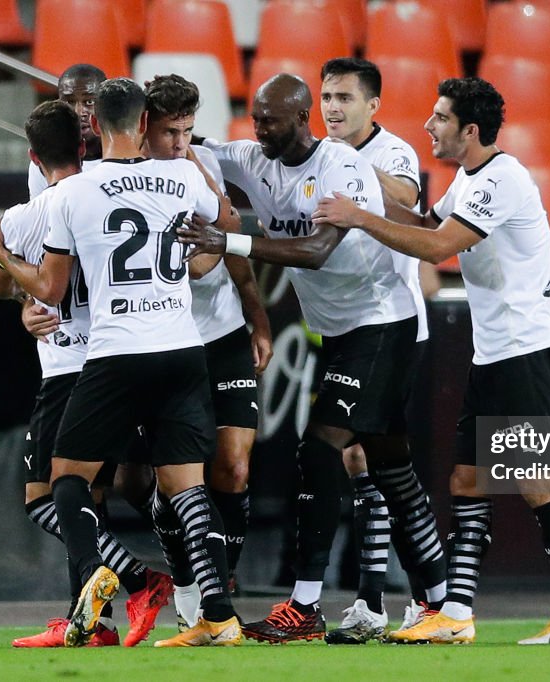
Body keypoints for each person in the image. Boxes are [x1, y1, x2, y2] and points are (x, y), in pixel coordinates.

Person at [313, 77, 550, 645]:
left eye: (440, 118)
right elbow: (429, 224)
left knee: (539, 483)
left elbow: (439, 248)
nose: (429, 127)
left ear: (470, 131)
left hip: (526, 351)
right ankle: (457, 615)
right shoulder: (469, 180)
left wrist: (360, 217)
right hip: (494, 354)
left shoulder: (503, 179)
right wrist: (367, 186)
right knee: (466, 479)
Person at [178, 73, 446, 644]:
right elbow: (192, 149)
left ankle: (305, 605)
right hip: (340, 332)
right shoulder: (256, 156)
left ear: (300, 120)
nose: (259, 129)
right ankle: (442, 603)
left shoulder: (341, 166)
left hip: (382, 322)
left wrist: (228, 241)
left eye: (269, 120)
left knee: (320, 448)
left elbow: (318, 252)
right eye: (254, 119)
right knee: (392, 468)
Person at [0, 77, 241, 648]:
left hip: (117, 352)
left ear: (95, 127)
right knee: (187, 488)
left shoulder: (76, 192)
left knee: (66, 481)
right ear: (146, 121)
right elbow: (226, 225)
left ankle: (107, 574)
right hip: (182, 347)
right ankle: (219, 616)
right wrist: (198, 249)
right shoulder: (180, 175)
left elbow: (50, 290)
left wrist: (3, 255)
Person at [0, 99, 173, 649]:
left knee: (43, 499)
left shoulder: (29, 215)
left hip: (67, 367)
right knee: (88, 496)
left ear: (32, 156)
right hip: (119, 362)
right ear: (83, 144)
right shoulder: (107, 192)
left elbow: (4, 285)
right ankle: (90, 622)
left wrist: (3, 256)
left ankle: (140, 580)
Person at [318, 56, 446, 644]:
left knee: (365, 458)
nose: (333, 108)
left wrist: (351, 178)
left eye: (345, 97)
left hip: (394, 326)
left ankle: (413, 597)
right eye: (327, 97)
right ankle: (409, 598)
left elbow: (409, 200)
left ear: (373, 105)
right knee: (373, 462)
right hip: (349, 329)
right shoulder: (320, 152)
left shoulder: (390, 153)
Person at [141, 73, 273, 629]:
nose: (179, 143)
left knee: (235, 469)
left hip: (220, 334)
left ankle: (220, 589)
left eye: (188, 130)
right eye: (171, 132)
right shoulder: (128, 177)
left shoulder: (200, 163)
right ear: (145, 126)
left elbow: (229, 241)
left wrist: (255, 310)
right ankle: (192, 588)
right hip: (167, 340)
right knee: (171, 483)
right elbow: (198, 261)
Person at [28, 64, 105, 200]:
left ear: (106, 102)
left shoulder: (132, 157)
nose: (79, 112)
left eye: (89, 101)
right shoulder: (46, 161)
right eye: (70, 102)